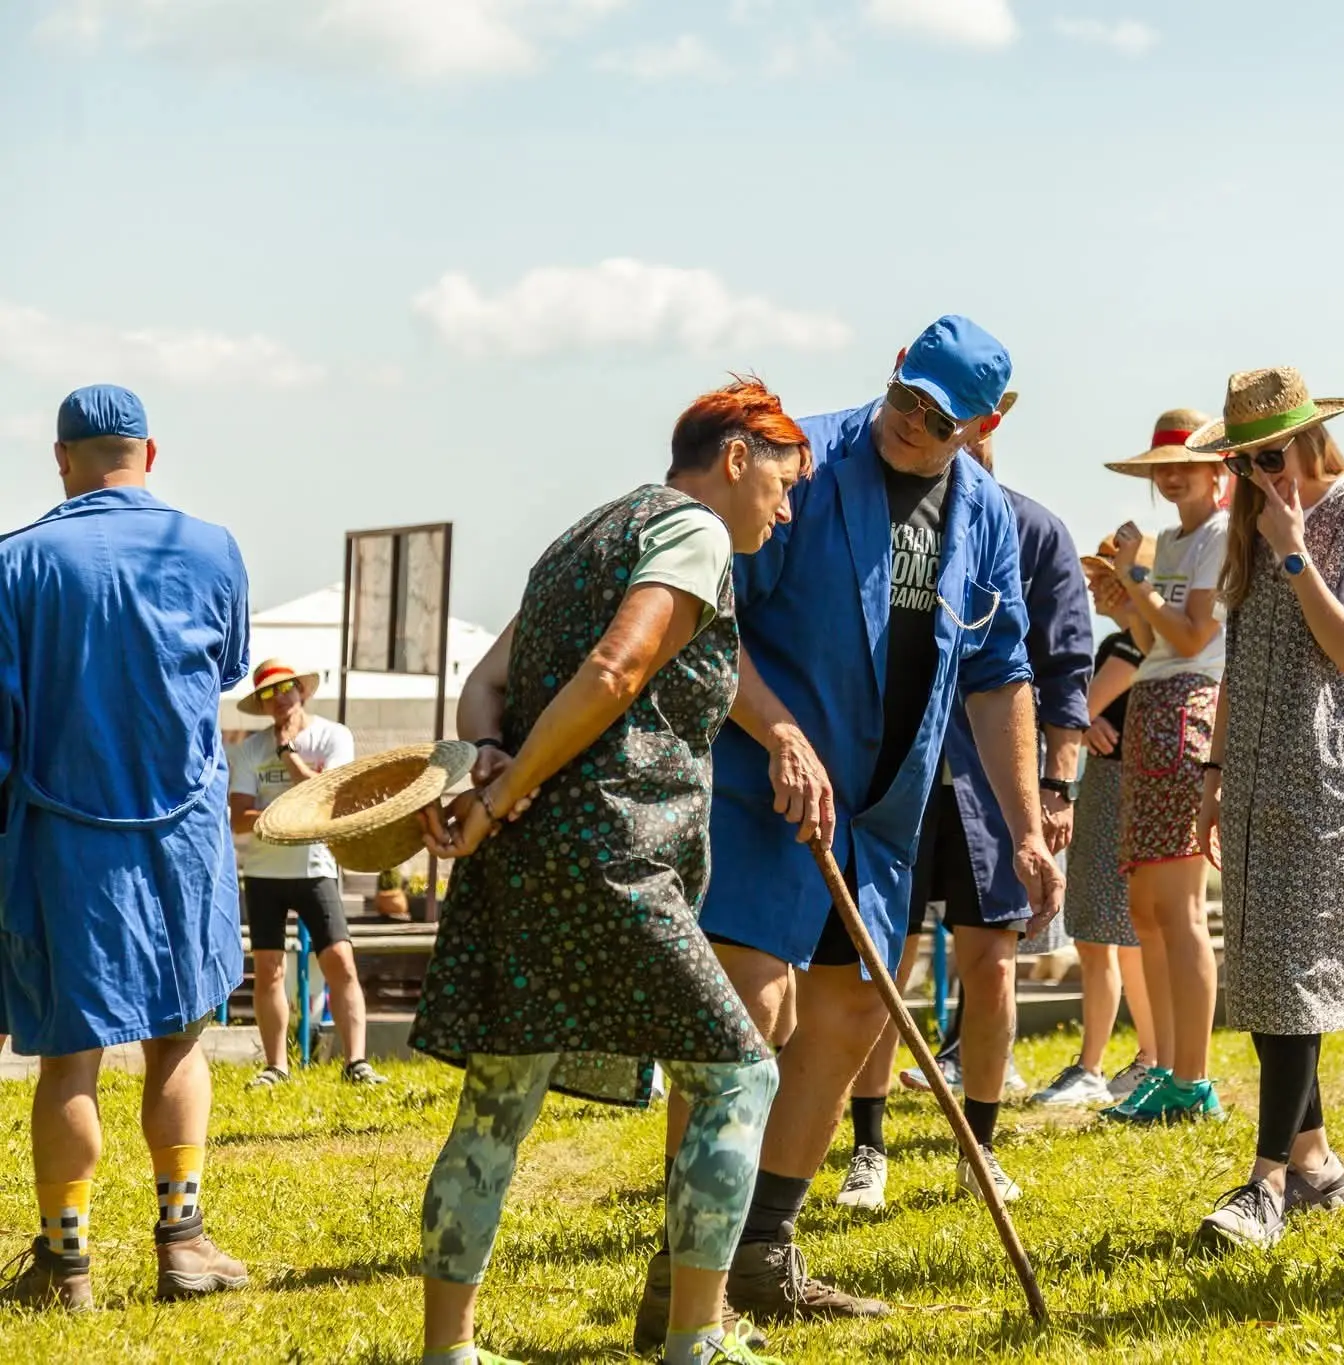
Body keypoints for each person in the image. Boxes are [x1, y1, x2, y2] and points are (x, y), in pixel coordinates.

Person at [407, 378, 811, 1365]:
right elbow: (616, 671)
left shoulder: (583, 536)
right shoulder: (693, 531)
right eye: (783, 484)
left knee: (496, 1105)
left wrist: (490, 759)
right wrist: (502, 790)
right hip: (612, 859)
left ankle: (448, 1351)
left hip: (521, 864)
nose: (785, 510)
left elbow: (484, 685)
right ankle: (695, 1341)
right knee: (739, 1076)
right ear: (735, 460)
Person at [682, 316, 1062, 1325]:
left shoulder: (983, 510)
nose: (911, 422)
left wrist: (1026, 828)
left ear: (982, 426)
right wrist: (777, 733)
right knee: (747, 1015)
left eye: (939, 419)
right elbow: (709, 619)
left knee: (851, 1015)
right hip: (763, 787)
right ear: (893, 370)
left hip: (882, 812)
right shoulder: (798, 464)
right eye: (905, 397)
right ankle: (682, 1279)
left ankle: (761, 1254)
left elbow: (999, 676)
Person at [0, 385, 252, 1311]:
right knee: (177, 1040)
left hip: (62, 839)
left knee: (68, 1058)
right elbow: (226, 670)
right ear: (150, 453)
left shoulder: (14, 561)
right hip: (183, 840)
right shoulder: (214, 548)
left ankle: (65, 1265)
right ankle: (182, 1243)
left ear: (60, 458)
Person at [1186, 367, 1344, 1250]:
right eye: (1243, 460)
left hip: (1332, 775)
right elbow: (1240, 658)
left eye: (1270, 455)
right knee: (1267, 974)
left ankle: (1266, 1185)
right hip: (1258, 770)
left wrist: (1295, 551)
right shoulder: (1248, 525)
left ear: (1309, 439)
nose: (1257, 472)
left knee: (1294, 976)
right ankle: (1316, 1163)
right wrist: (1214, 769)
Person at [837, 398, 1092, 1210]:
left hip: (993, 791)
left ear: (988, 426)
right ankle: (867, 1147)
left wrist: (1055, 789)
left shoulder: (1034, 530)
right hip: (894, 782)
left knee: (993, 966)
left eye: (966, 419)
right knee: (884, 964)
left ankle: (977, 1149)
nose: (953, 432)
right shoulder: (888, 515)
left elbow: (1066, 667)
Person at [1099, 409, 1229, 1125]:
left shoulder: (1217, 537)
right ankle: (1168, 1068)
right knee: (1148, 910)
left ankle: (1193, 1077)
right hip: (1154, 707)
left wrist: (1136, 581)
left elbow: (1192, 635)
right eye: (1162, 468)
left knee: (1178, 910)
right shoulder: (1176, 540)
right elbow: (1154, 641)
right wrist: (1128, 605)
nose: (1172, 477)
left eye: (1184, 465)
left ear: (1216, 471)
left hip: (1187, 710)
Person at [1029, 535, 1161, 1107]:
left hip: (1116, 794)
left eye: (1108, 577)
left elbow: (1075, 709)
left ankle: (1126, 1061)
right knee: (1107, 937)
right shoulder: (1126, 644)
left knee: (1114, 935)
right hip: (1113, 790)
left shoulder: (1131, 646)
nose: (1094, 587)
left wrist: (1080, 722)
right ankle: (1128, 1059)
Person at [228, 658, 385, 1089]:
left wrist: (287, 755)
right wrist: (292, 813)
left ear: (302, 691)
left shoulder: (333, 735)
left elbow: (325, 797)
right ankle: (276, 1066)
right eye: (267, 693)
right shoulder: (249, 749)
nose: (278, 699)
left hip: (317, 867)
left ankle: (356, 1062)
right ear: (261, 705)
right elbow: (238, 819)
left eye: (285, 688)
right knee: (269, 970)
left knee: (340, 961)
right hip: (263, 871)